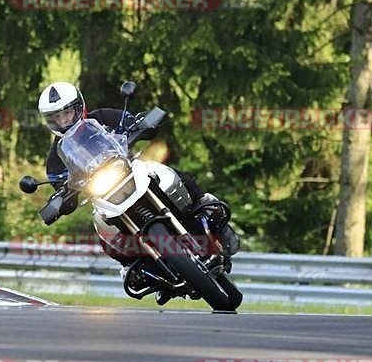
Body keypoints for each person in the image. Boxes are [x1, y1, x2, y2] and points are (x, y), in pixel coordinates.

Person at [37, 81, 240, 268]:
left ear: (78, 107)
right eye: (56, 117)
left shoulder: (101, 117)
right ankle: (137, 268)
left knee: (168, 175)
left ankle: (207, 209)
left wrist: (142, 122)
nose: (63, 120)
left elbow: (133, 121)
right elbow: (60, 186)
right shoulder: (57, 157)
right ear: (49, 121)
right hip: (103, 195)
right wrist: (60, 199)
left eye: (67, 112)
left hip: (131, 170)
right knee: (104, 233)